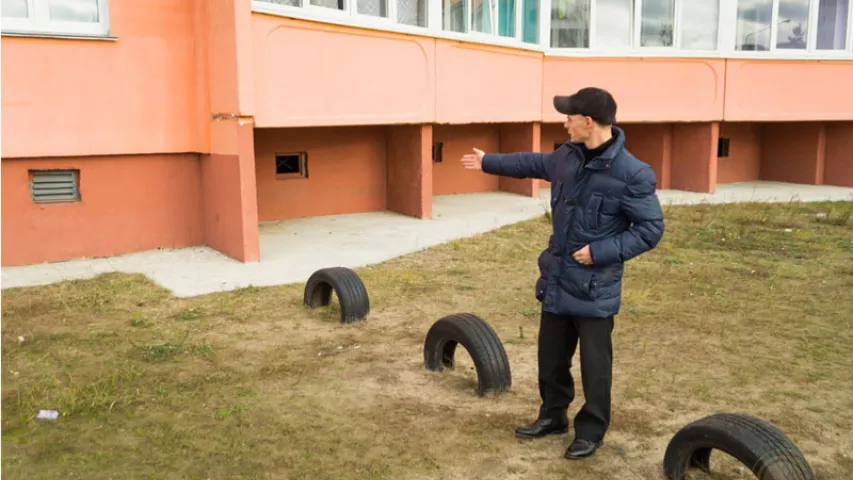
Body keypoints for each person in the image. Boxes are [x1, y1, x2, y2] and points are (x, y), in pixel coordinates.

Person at [459, 87, 665, 460]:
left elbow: (650, 231)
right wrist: (489, 161)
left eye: (569, 117)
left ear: (588, 122)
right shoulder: (566, 156)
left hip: (595, 288)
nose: (563, 122)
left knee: (595, 367)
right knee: (550, 359)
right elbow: (531, 163)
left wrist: (600, 251)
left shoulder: (632, 174)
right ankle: (552, 417)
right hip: (557, 279)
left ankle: (591, 431)